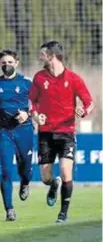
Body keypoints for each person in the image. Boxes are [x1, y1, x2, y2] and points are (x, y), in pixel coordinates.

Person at [30, 41, 94, 224]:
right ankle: (53, 184)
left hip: (66, 132)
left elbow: (89, 102)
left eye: (43, 54)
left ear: (52, 56)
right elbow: (31, 102)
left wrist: (84, 111)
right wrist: (35, 115)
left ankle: (63, 214)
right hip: (45, 133)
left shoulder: (73, 78)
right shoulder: (39, 78)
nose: (40, 57)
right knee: (46, 177)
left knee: (67, 172)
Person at [0, 49, 35, 222]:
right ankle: (9, 209)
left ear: (17, 63)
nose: (7, 65)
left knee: (25, 168)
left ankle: (25, 182)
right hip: (4, 131)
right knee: (6, 170)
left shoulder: (27, 83)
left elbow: (38, 102)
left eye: (10, 62)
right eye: (4, 63)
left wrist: (28, 114)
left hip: (24, 130)